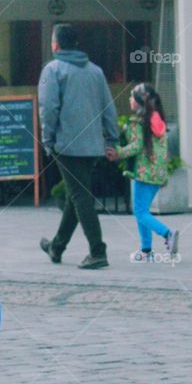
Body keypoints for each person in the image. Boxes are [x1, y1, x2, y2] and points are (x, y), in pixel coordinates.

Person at [38, 23, 119, 270]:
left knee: (81, 196)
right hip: (93, 145)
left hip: (67, 144)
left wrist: (47, 139)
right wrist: (112, 138)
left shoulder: (52, 70)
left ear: (56, 44)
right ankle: (57, 246)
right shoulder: (96, 71)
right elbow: (109, 107)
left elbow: (48, 108)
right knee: (77, 194)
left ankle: (98, 251)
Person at [107, 83, 180, 262]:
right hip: (158, 174)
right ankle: (146, 251)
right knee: (143, 211)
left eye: (132, 97)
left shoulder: (137, 122)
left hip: (143, 172)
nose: (130, 99)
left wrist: (118, 152)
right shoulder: (157, 119)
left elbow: (136, 146)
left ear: (140, 100)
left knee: (140, 212)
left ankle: (168, 234)